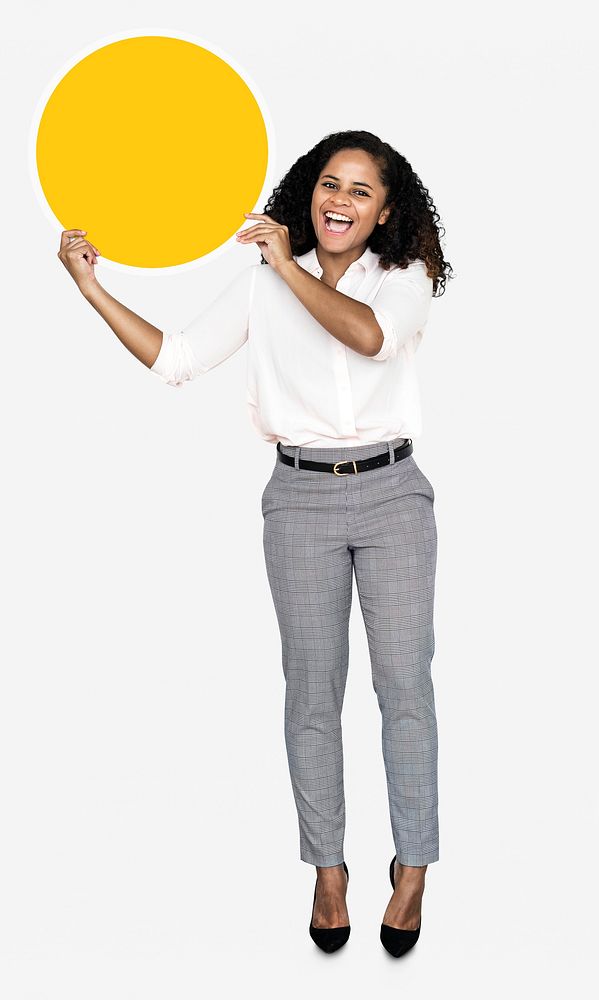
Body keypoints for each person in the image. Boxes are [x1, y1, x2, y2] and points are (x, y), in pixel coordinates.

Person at [57, 129, 453, 957]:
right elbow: (174, 360)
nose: (338, 201)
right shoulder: (262, 284)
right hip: (300, 499)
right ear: (309, 192)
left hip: (391, 496)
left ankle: (412, 867)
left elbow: (369, 339)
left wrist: (285, 268)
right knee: (311, 692)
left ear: (384, 213)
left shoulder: (402, 279)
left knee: (402, 687)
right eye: (328, 184)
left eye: (360, 191)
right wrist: (92, 289)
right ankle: (330, 869)